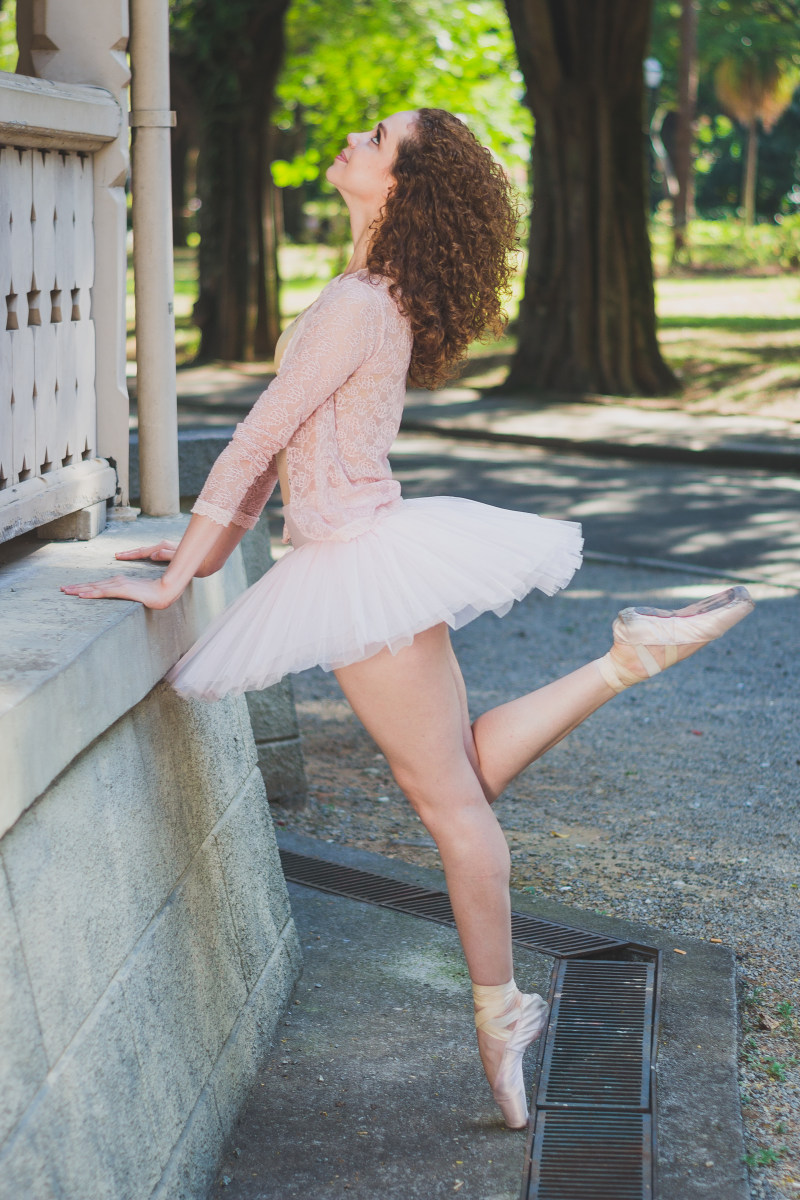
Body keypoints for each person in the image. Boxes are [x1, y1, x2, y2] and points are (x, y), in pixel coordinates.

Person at [62, 108, 754, 1129]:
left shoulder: (354, 300)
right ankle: (623, 659)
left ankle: (500, 1008)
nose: (351, 140)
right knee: (460, 776)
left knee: (454, 812)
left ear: (401, 184)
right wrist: (195, 549)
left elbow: (254, 440)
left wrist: (175, 586)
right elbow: (277, 451)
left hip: (357, 563)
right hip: (366, 554)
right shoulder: (367, 294)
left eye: (374, 137)